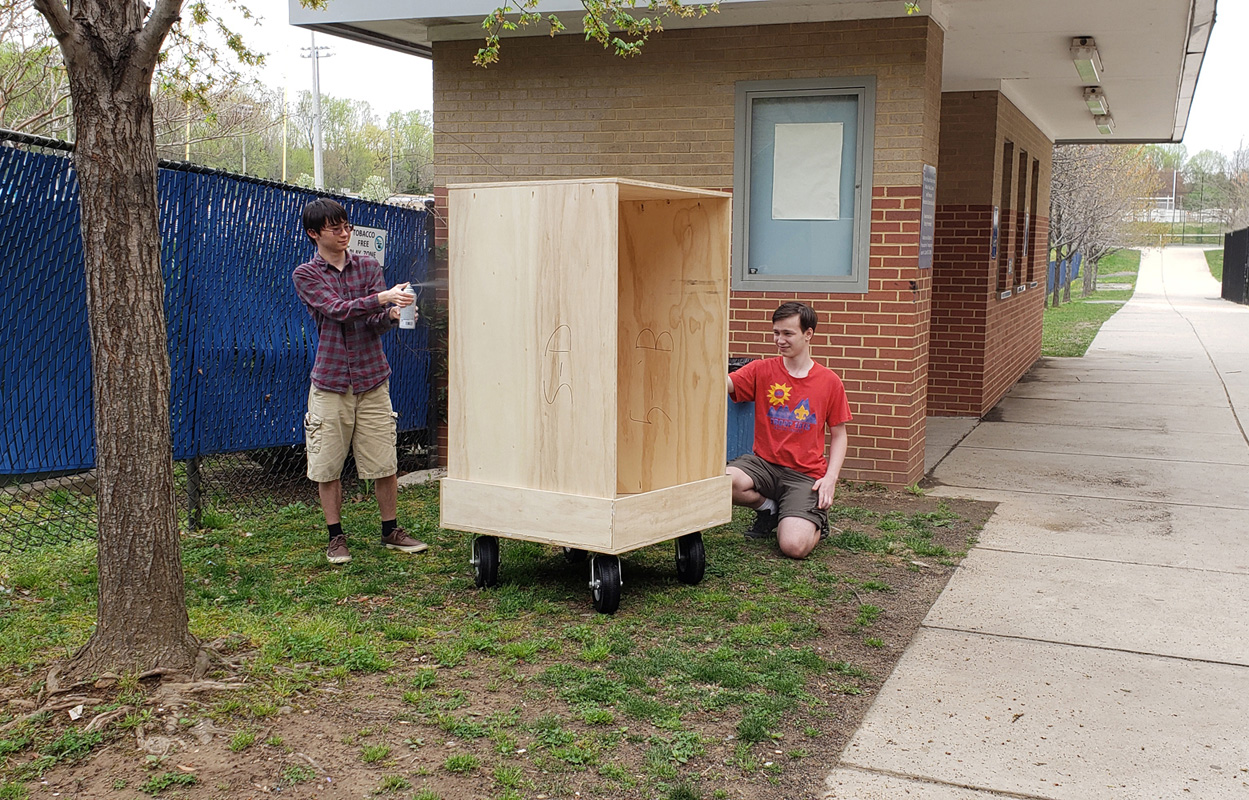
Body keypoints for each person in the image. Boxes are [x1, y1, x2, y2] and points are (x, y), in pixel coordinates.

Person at [292, 197, 427, 565]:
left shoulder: (368, 265)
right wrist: (382, 298)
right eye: (335, 228)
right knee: (327, 465)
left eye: (346, 226)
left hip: (372, 379)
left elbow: (371, 321)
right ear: (314, 234)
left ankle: (391, 530)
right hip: (331, 382)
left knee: (384, 459)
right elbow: (337, 311)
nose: (344, 233)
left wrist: (392, 314)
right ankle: (336, 538)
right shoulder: (306, 275)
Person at [726, 302, 851, 559]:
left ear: (808, 334)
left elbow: (839, 434)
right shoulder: (762, 369)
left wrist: (830, 479)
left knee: (794, 547)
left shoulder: (829, 381)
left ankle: (813, 518)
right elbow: (724, 383)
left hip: (804, 475)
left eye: (788, 333)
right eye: (776, 333)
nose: (780, 340)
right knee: (723, 482)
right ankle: (770, 509)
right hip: (764, 465)